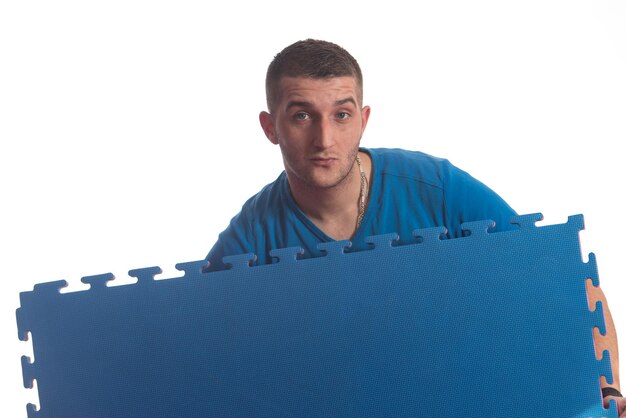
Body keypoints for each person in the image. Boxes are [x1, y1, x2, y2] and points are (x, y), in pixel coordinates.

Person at [205, 38, 624, 414]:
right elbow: (194, 355)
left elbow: (569, 285)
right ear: (270, 127)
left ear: (363, 119)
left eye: (342, 114)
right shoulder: (250, 237)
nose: (325, 139)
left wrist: (603, 389)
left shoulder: (436, 189)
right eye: (301, 116)